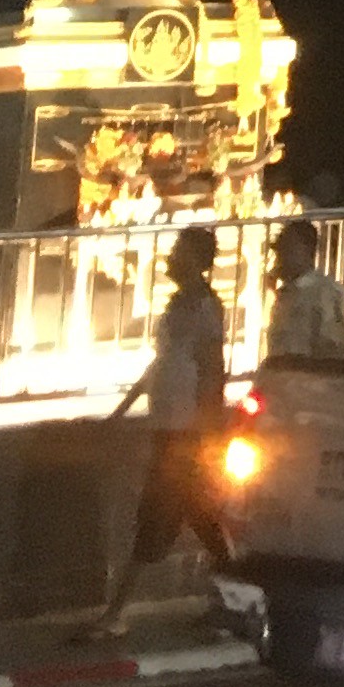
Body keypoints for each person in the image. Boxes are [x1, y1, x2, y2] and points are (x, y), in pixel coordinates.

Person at [98, 224, 230, 627]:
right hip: (169, 424)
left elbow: (212, 369)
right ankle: (242, 590)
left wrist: (209, 428)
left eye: (179, 250)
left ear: (198, 260)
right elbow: (162, 361)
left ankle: (115, 614)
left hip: (184, 429)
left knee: (158, 514)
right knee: (199, 517)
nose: (171, 257)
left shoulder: (205, 307)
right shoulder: (177, 303)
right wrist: (124, 407)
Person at [263, 215, 344, 361]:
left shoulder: (323, 292)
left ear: (303, 250)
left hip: (307, 372)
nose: (279, 258)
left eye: (286, 250)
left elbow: (335, 344)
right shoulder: (286, 294)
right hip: (285, 372)